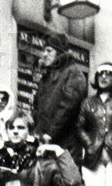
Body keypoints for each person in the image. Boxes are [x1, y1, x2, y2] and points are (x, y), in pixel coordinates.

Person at [32, 31, 88, 163]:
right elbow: (38, 107)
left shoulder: (73, 73)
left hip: (65, 145)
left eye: (49, 50)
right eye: (43, 50)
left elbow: (67, 107)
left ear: (59, 52)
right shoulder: (48, 75)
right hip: (47, 141)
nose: (44, 54)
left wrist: (50, 133)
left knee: (64, 180)